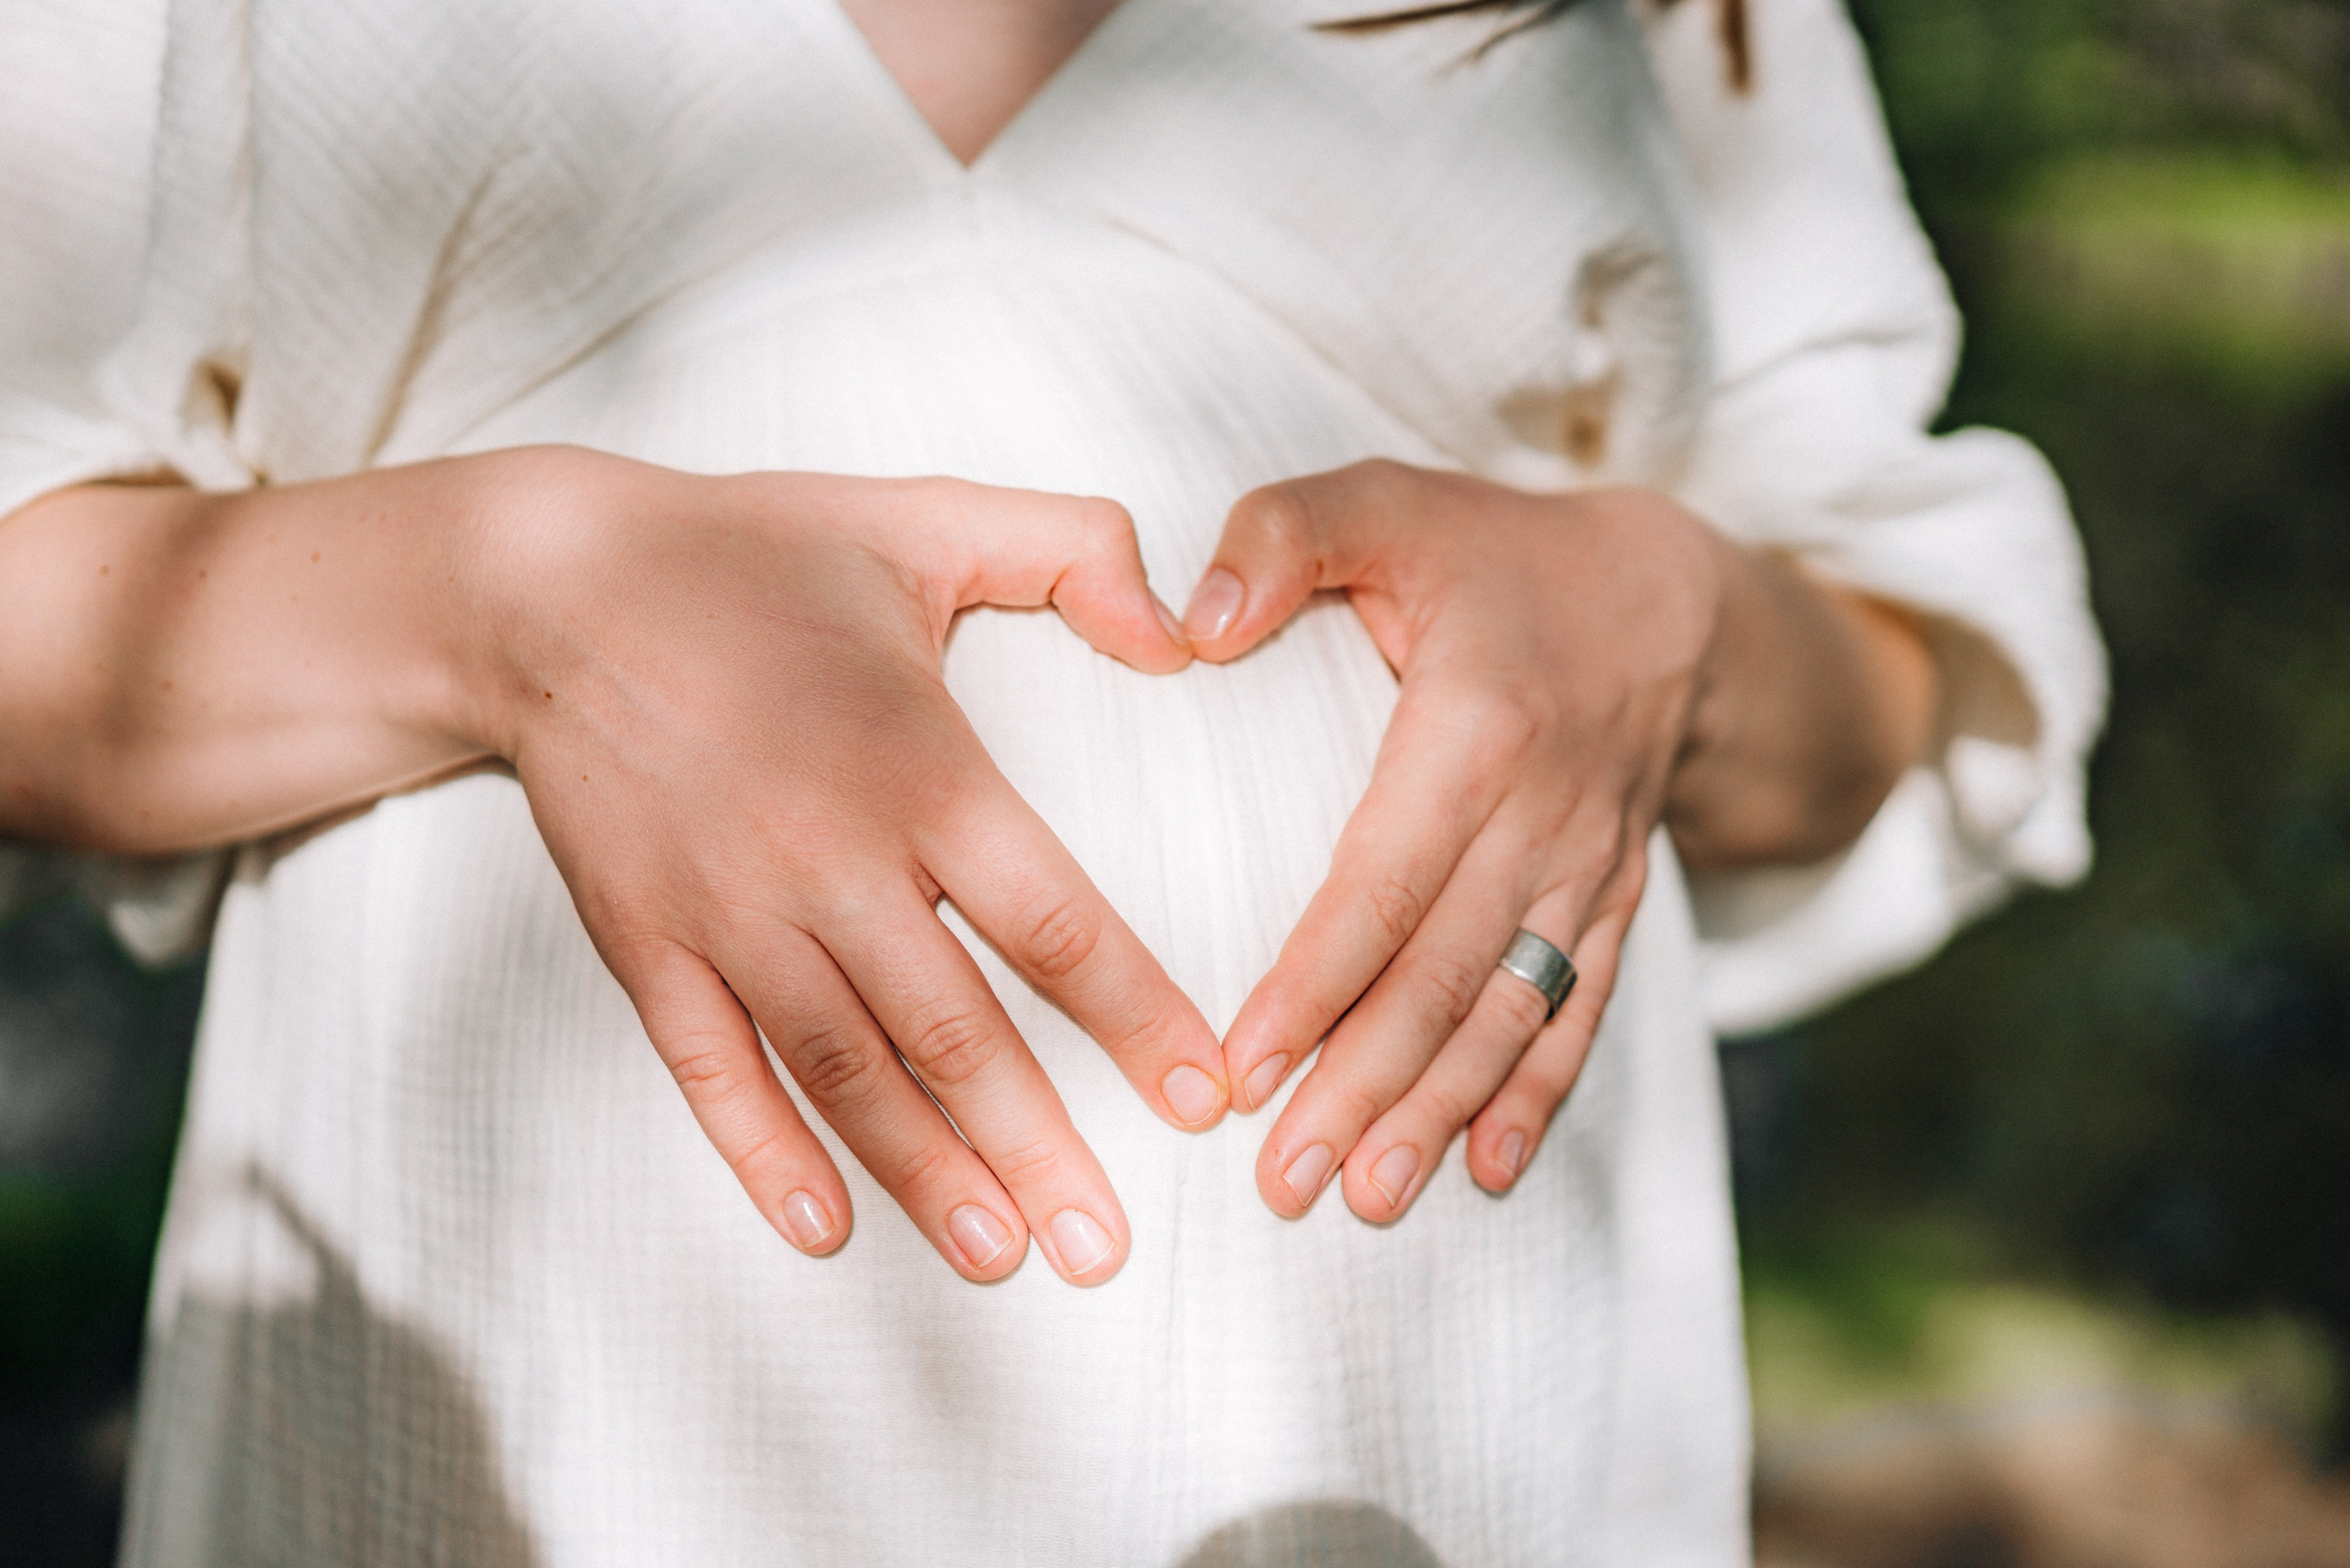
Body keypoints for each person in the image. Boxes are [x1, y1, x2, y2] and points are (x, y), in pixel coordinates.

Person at [0, 0, 2104, 1561]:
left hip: (1449, 1453)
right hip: (535, 1449)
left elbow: (1899, 658)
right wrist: (506, 597)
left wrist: (1675, 615)